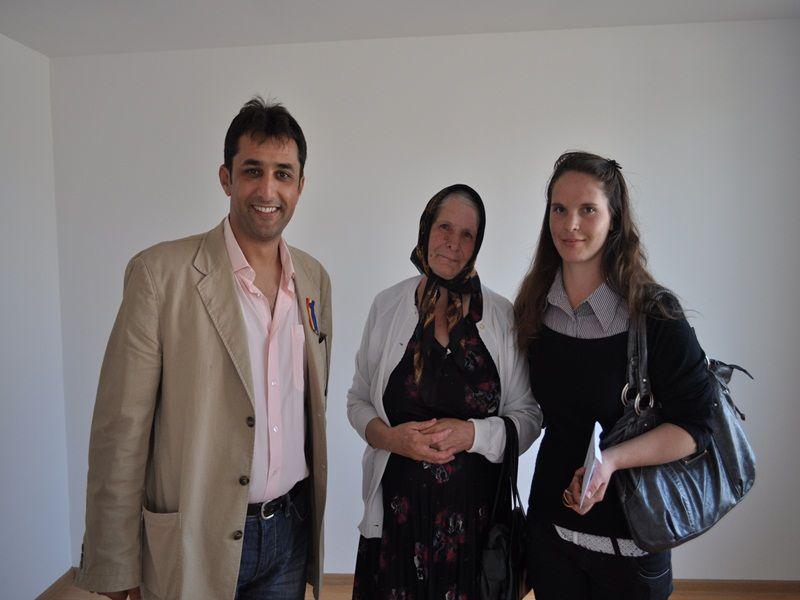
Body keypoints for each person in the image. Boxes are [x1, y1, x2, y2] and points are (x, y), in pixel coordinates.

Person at [74, 98, 332, 600]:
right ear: (226, 178)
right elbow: (120, 430)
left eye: (283, 174)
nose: (268, 190)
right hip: (195, 536)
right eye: (252, 170)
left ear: (300, 185)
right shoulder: (159, 275)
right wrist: (114, 563)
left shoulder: (314, 278)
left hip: (289, 531)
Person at [514, 151, 715, 599]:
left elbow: (697, 426)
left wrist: (612, 460)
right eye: (559, 209)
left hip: (633, 547)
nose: (570, 224)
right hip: (552, 537)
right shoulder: (533, 310)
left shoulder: (655, 314)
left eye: (588, 209)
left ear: (615, 220)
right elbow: (530, 411)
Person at [347, 184, 542, 599]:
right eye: (445, 228)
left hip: (477, 534)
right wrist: (392, 439)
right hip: (397, 528)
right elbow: (358, 400)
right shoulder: (387, 306)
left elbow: (528, 418)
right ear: (426, 229)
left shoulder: (501, 316)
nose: (454, 243)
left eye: (467, 234)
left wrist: (473, 434)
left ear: (478, 244)